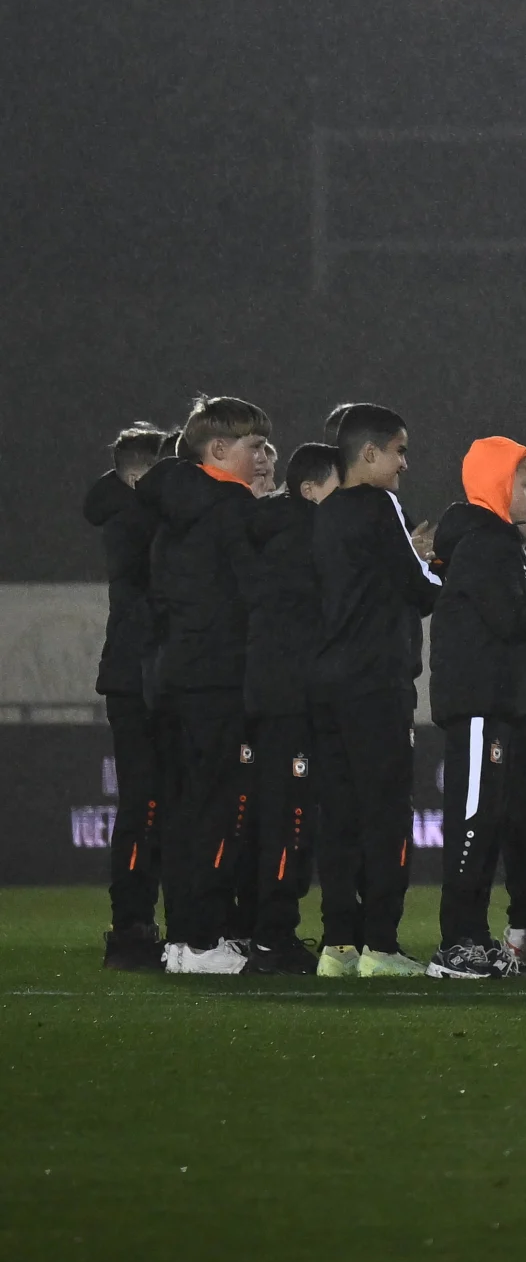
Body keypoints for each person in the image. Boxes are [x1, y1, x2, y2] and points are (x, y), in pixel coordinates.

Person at [306, 405, 437, 978]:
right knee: (385, 815)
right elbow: (422, 589)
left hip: (327, 682)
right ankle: (382, 945)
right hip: (375, 685)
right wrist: (435, 561)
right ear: (368, 454)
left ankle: (338, 946)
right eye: (399, 451)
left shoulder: (327, 512)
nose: (404, 464)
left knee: (337, 816)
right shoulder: (381, 504)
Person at [147, 398, 274, 975]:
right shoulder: (229, 506)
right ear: (218, 450)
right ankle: (203, 941)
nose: (263, 456)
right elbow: (257, 596)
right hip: (217, 678)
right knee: (216, 810)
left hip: (171, 675)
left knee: (181, 811)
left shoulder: (169, 506)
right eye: (255, 446)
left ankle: (182, 939)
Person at [428, 436, 526, 979]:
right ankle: (456, 944)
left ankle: (474, 938)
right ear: (500, 483)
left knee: (488, 823)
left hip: (494, 705)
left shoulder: (498, 542)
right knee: (473, 823)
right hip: (479, 705)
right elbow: (511, 619)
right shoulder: (487, 543)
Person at [232, 441, 339, 970]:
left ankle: (253, 929)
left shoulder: (267, 531)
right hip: (291, 699)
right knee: (289, 818)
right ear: (312, 490)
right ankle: (274, 936)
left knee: (261, 817)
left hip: (263, 696)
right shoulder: (302, 535)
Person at [89, 422, 177, 972]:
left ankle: (148, 924)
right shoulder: (134, 523)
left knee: (157, 805)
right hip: (138, 680)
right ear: (143, 476)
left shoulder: (133, 516)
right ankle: (132, 928)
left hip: (149, 677)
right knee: (144, 803)